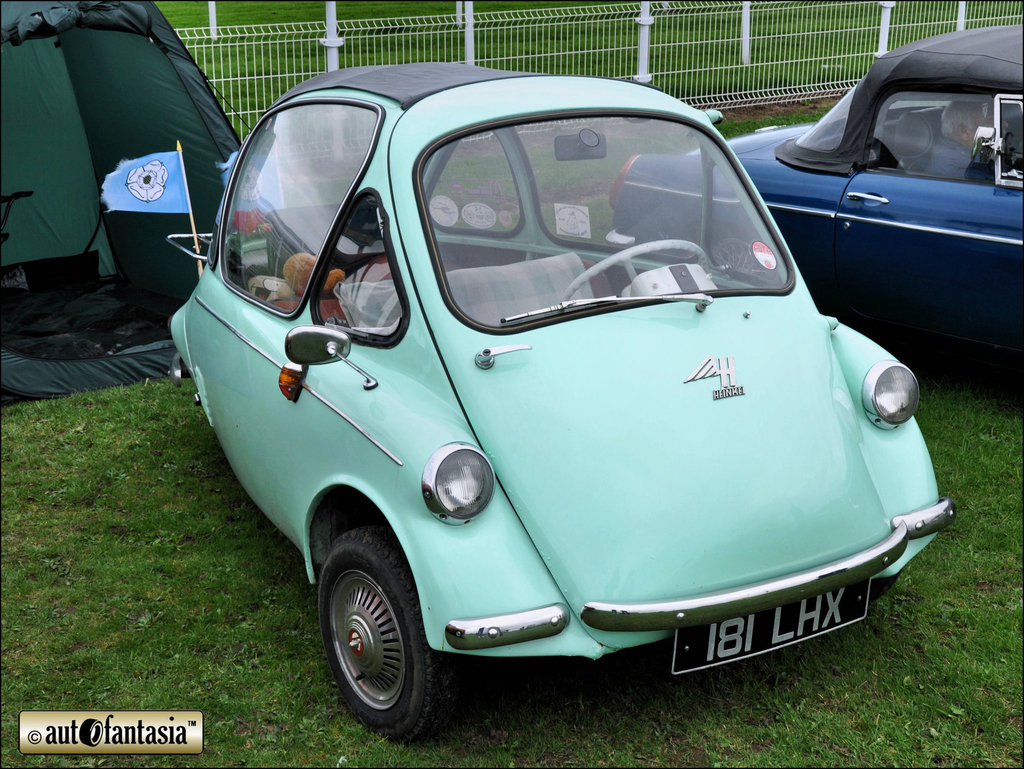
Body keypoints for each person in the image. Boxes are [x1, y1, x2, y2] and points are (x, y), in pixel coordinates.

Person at [927, 101, 989, 178]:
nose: (989, 131)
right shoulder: (952, 165)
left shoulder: (959, 152)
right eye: (985, 127)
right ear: (964, 132)